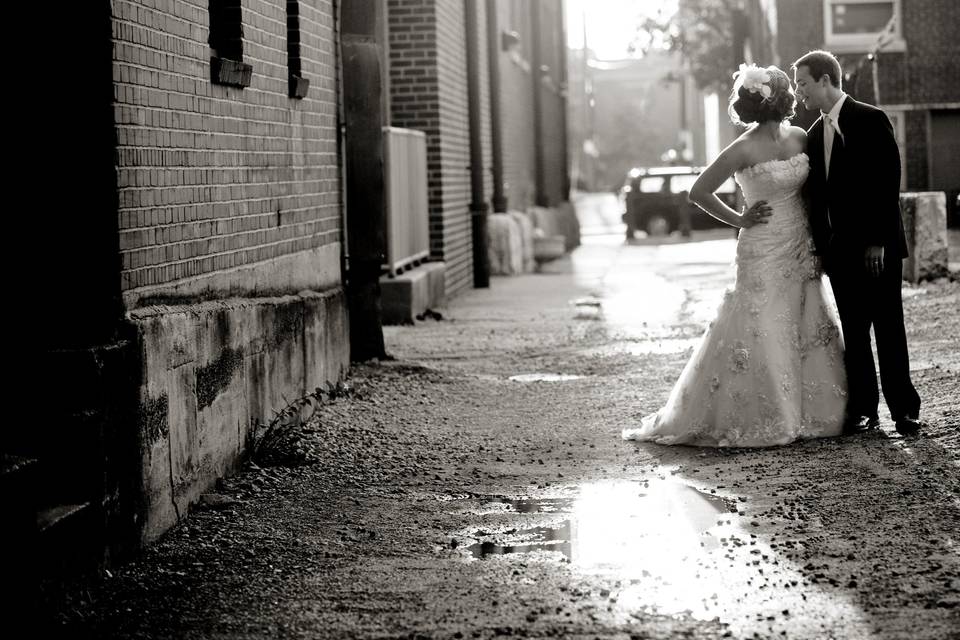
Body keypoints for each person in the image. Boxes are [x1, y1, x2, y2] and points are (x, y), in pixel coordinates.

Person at [622, 63, 847, 447]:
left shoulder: (800, 138)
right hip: (761, 246)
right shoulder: (742, 148)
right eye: (785, 89)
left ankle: (813, 411)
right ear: (776, 100)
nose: (792, 93)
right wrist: (740, 217)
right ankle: (768, 411)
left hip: (799, 242)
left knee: (804, 320)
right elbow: (698, 192)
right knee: (763, 324)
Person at [792, 50, 926, 437]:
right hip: (839, 254)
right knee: (854, 332)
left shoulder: (871, 119)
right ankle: (865, 410)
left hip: (877, 250)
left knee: (888, 327)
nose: (800, 92)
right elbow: (817, 199)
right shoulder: (814, 135)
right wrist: (820, 248)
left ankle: (905, 409)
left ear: (824, 80)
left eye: (803, 83)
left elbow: (886, 185)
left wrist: (877, 243)